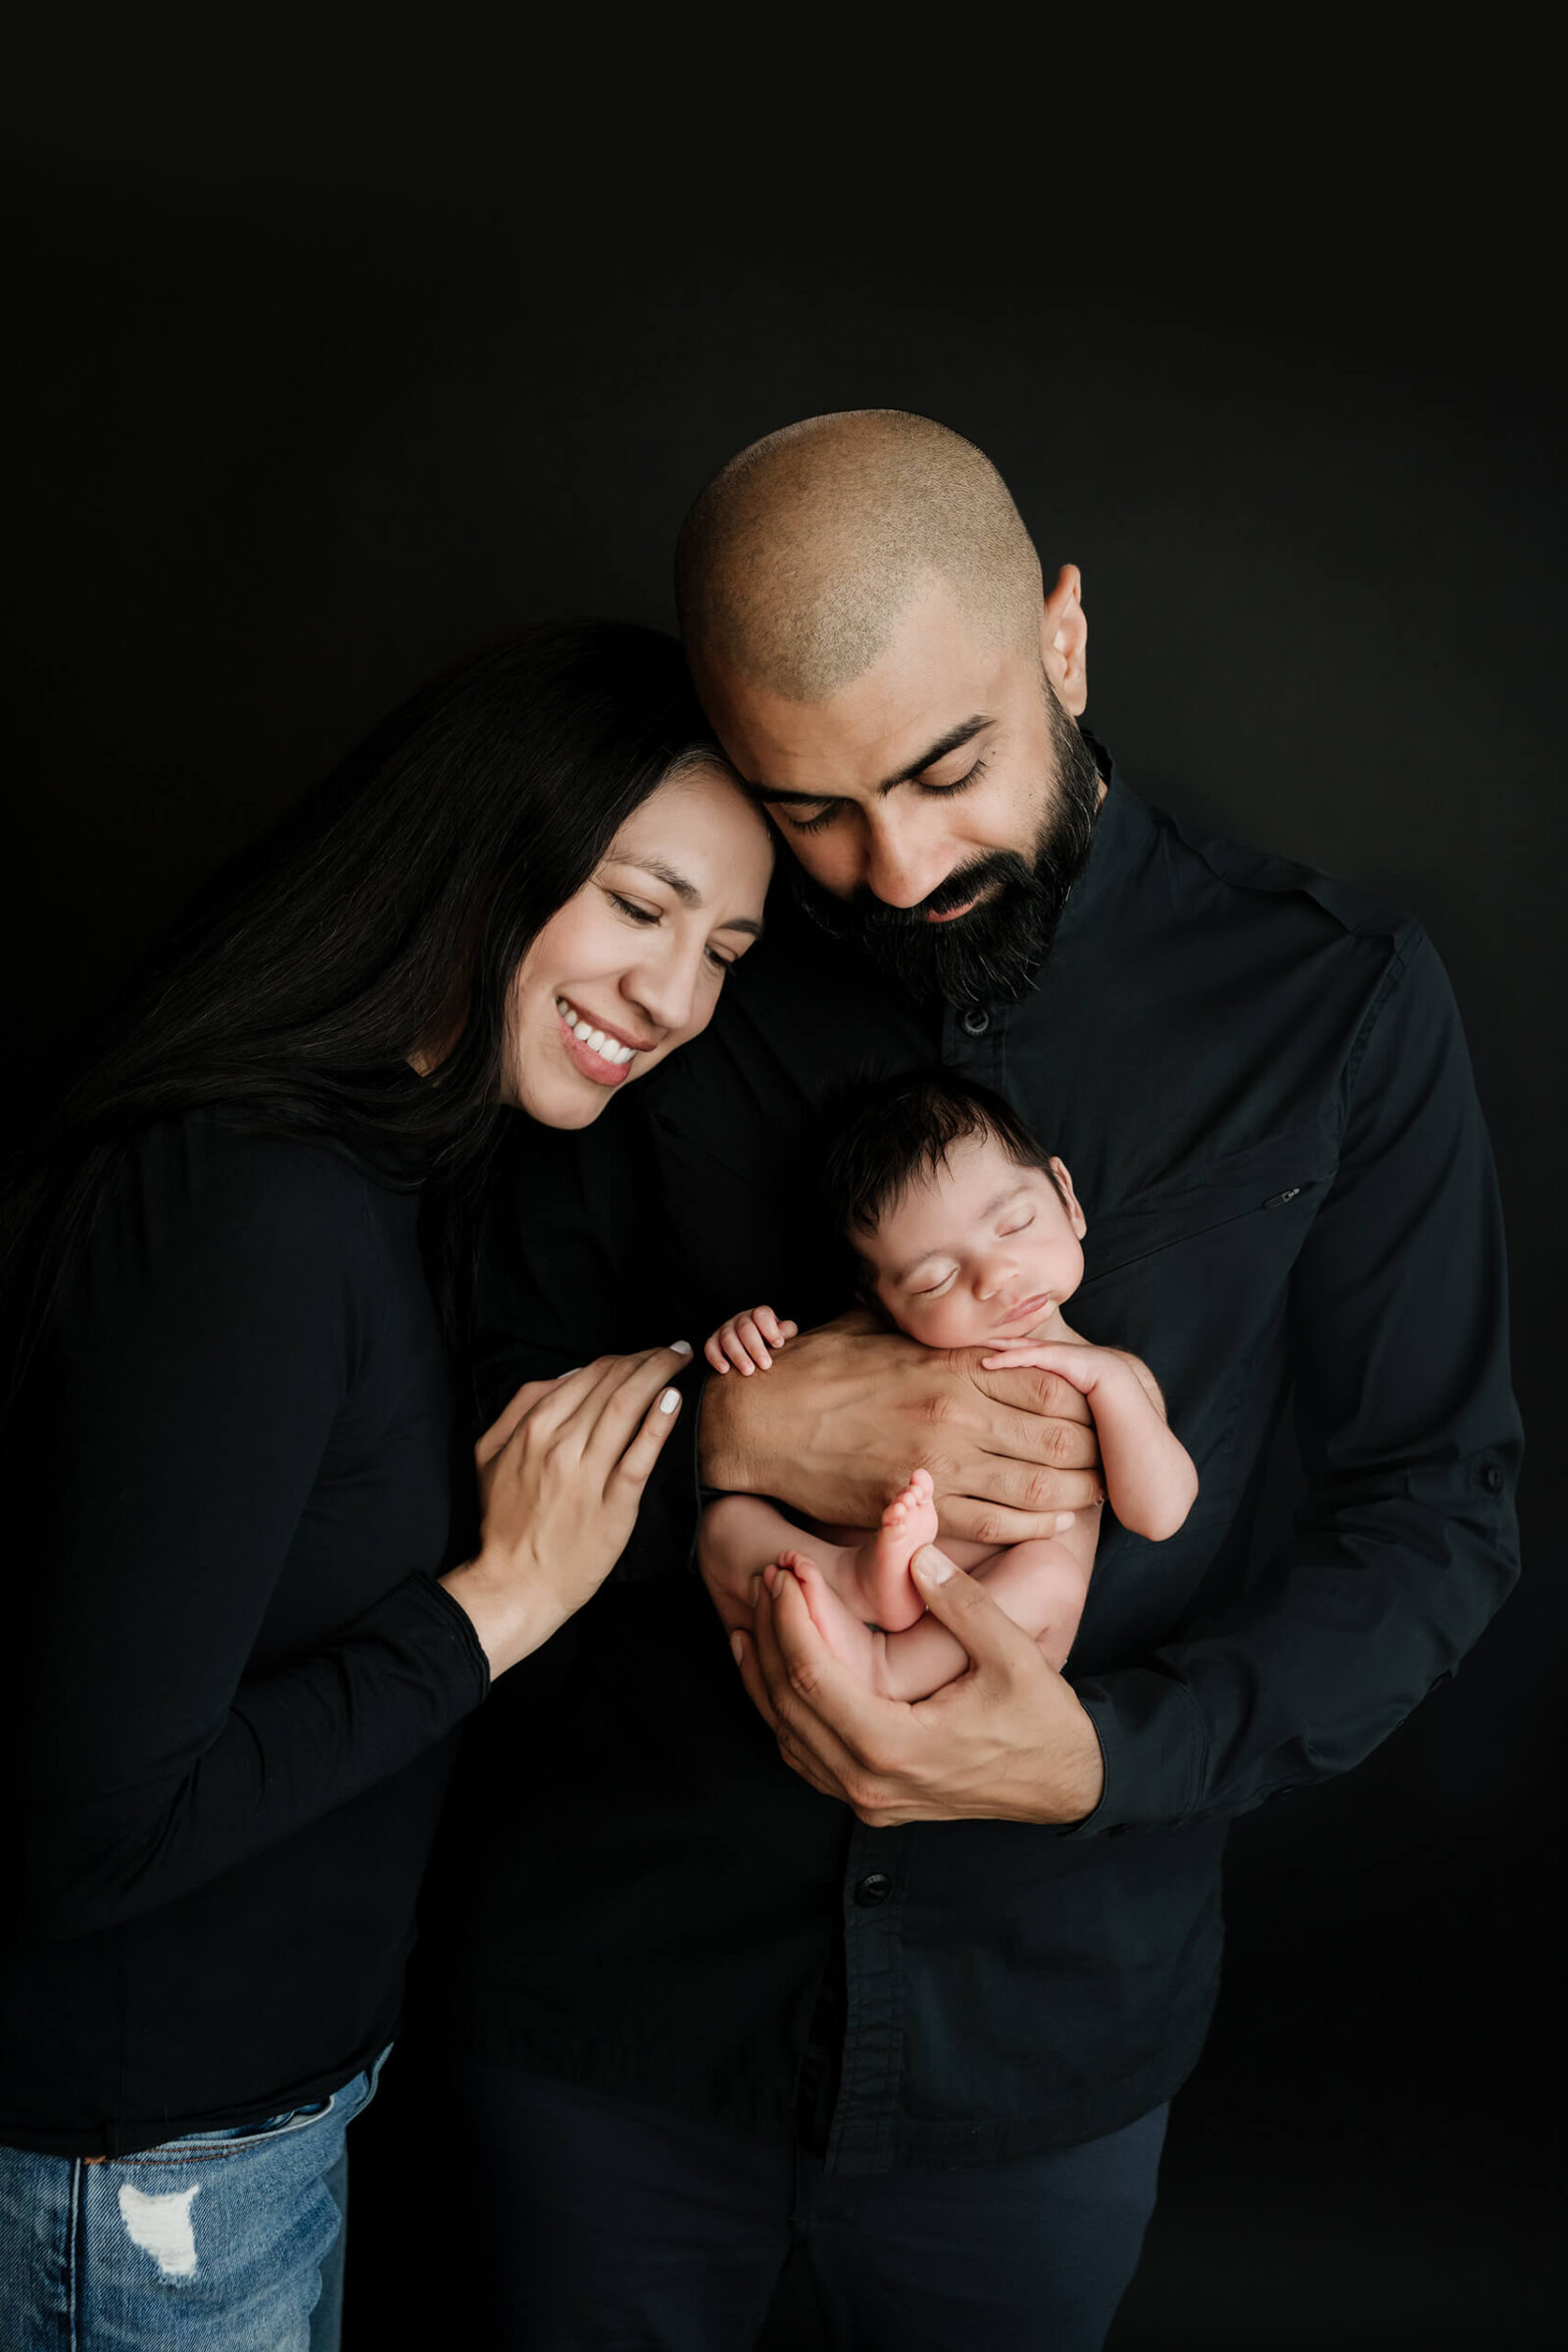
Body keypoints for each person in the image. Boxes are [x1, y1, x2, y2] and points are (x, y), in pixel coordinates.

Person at [447, 415, 1522, 2350]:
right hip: (608, 2015)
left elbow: (1437, 1515)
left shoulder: (1330, 1005)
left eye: (942, 768)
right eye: (809, 809)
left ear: (1062, 641)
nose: (896, 864)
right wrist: (735, 1440)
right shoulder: (667, 968)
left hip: (1044, 2054)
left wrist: (1119, 1759)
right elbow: (459, 1379)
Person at [0, 621, 771, 2351]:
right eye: (640, 908)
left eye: (726, 946)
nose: (678, 998)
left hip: (242, 2136)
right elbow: (87, 1831)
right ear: (482, 852)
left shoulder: (411, 1161)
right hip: (139, 2186)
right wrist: (496, 1608)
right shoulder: (251, 1213)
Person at [698, 1069, 1198, 1700]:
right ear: (878, 1302)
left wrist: (1112, 1386)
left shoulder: (1111, 1376)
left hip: (990, 1644)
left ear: (1067, 1199)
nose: (994, 1277)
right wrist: (748, 1340)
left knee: (1050, 1573)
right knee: (724, 1523)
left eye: (1014, 1224)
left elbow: (1161, 1514)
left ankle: (886, 1667)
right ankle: (854, 1578)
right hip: (831, 1602)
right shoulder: (874, 1347)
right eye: (934, 1280)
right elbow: (774, 1383)